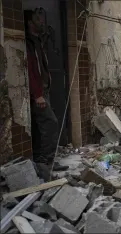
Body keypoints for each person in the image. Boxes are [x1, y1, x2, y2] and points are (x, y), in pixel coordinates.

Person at [24, 9, 68, 178]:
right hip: (38, 92)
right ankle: (45, 162)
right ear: (29, 22)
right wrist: (37, 94)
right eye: (37, 19)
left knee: (42, 126)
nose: (41, 21)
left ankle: (43, 161)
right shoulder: (28, 43)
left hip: (44, 90)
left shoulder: (38, 40)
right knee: (51, 123)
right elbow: (29, 70)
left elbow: (48, 35)